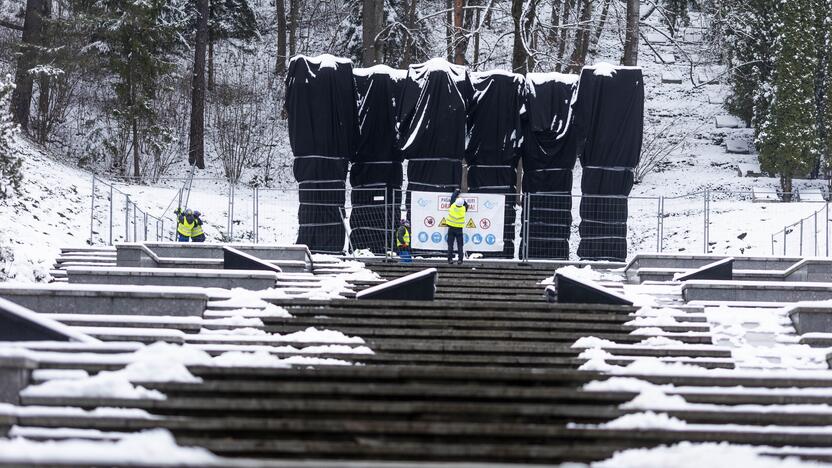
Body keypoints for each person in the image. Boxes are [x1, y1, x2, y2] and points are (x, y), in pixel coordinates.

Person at [446, 189, 468, 264]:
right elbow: (466, 204)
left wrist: (456, 192)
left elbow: (452, 197)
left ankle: (450, 259)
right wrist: (462, 199)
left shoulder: (452, 206)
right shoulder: (463, 209)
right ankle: (460, 260)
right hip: (459, 230)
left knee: (450, 245)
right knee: (460, 245)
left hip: (451, 229)